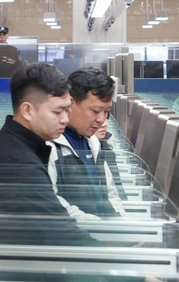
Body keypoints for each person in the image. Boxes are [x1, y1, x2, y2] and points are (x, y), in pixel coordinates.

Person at [0, 62, 99, 247]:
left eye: (67, 110)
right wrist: (123, 263)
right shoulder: (17, 162)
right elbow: (62, 232)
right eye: (58, 111)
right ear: (27, 111)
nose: (65, 119)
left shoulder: (14, 144)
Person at [51, 67, 126, 219]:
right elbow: (54, 205)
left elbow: (111, 194)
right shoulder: (50, 147)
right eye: (95, 111)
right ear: (70, 103)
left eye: (106, 112)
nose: (101, 119)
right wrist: (100, 227)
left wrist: (121, 224)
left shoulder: (94, 143)